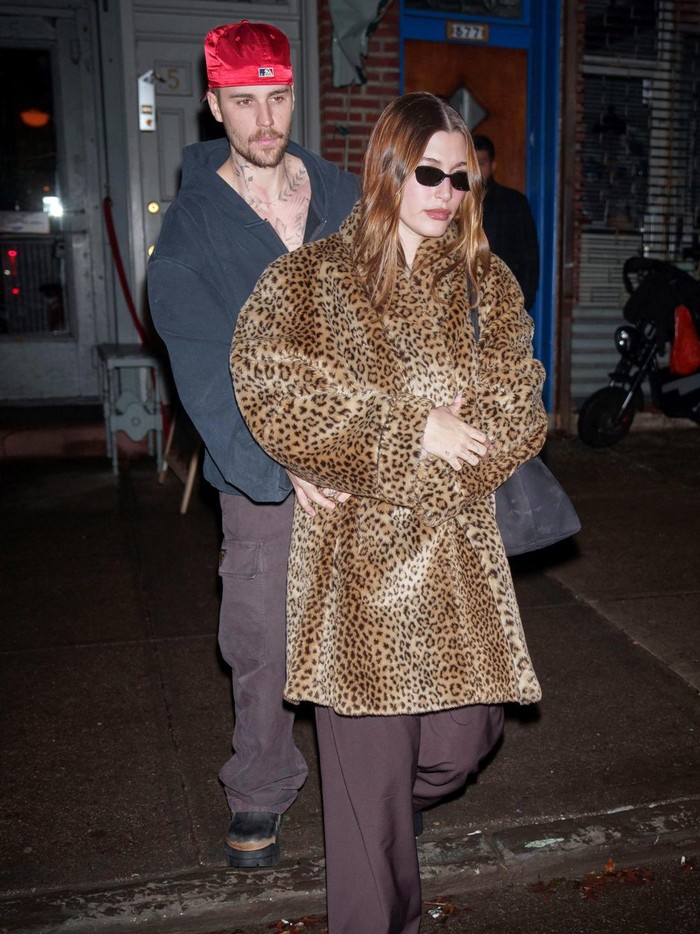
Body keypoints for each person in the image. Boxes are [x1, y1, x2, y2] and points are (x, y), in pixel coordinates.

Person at [231, 92, 548, 932]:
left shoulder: (485, 282)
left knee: (463, 742)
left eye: (462, 177)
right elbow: (276, 393)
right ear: (389, 170)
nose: (447, 192)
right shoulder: (310, 279)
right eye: (429, 173)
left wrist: (437, 465)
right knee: (370, 822)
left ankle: (370, 810)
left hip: (456, 564)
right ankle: (370, 846)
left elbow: (519, 406)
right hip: (357, 576)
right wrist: (413, 430)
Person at [147, 20, 359, 869]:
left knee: (367, 622)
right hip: (259, 460)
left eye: (277, 98)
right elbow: (202, 370)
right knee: (261, 634)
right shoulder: (193, 227)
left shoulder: (344, 196)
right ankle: (261, 786)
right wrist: (278, 463)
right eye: (244, 102)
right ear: (214, 106)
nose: (264, 119)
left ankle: (376, 783)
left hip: (362, 449)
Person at [472, 134, 539, 310]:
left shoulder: (514, 202)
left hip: (503, 299)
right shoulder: (455, 202)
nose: (477, 170)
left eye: (482, 163)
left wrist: (522, 303)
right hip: (464, 301)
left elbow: (530, 258)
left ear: (493, 165)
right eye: (472, 163)